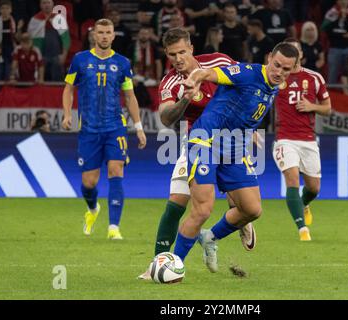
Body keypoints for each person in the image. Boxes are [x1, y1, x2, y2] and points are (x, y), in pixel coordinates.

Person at [137, 27, 255, 280]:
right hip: (196, 143)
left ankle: (241, 220)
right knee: (175, 205)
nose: (178, 59)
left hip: (230, 139)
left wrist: (249, 124)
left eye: (182, 52)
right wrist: (185, 100)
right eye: (172, 55)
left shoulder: (218, 62)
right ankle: (157, 265)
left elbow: (244, 84)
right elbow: (167, 118)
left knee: (244, 203)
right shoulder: (170, 82)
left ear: (191, 48)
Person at [172, 42, 299, 272]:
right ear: (269, 57)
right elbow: (209, 73)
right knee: (202, 209)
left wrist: (247, 134)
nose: (279, 72)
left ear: (293, 69)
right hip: (206, 140)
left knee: (252, 209)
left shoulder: (276, 86)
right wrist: (194, 79)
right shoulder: (248, 73)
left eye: (286, 69)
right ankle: (173, 264)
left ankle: (210, 237)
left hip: (234, 150)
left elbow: (243, 110)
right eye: (277, 65)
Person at [62, 18, 147, 240]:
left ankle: (113, 227)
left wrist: (138, 127)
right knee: (88, 183)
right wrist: (67, 114)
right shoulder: (80, 60)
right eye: (100, 32)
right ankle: (92, 209)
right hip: (89, 129)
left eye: (108, 32)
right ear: (94, 35)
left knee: (116, 170)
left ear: (113, 35)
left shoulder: (122, 63)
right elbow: (69, 89)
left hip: (115, 127)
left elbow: (129, 96)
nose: (104, 36)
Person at [273, 38, 331, 241]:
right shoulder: (277, 77)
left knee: (314, 188)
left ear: (301, 55)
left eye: (295, 52)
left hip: (307, 139)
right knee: (292, 180)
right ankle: (302, 230)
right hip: (284, 139)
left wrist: (311, 106)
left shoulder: (314, 78)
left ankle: (304, 203)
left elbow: (327, 108)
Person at [27, 0, 70, 81]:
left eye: (48, 2)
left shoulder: (59, 19)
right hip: (41, 56)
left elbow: (66, 38)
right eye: (44, 3)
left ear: (53, 4)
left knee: (57, 81)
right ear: (40, 5)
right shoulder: (34, 20)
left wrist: (64, 55)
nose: (46, 5)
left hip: (57, 55)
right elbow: (30, 40)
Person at [321, 0, 348, 84]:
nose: (343, 2)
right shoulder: (332, 12)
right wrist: (339, 17)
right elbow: (325, 29)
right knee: (332, 75)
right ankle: (331, 94)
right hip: (335, 49)